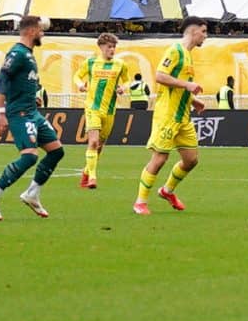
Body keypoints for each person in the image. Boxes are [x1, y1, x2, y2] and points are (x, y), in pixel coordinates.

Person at [0, 15, 63, 220]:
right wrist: (0, 113)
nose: (43, 33)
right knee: (30, 156)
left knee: (56, 151)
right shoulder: (17, 53)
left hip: (32, 112)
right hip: (19, 114)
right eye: (41, 30)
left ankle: (32, 193)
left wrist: (32, 97)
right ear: (32, 31)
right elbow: (2, 80)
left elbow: (22, 82)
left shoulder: (28, 54)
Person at [137, 19, 208, 214]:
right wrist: (187, 85)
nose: (205, 35)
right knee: (160, 158)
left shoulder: (188, 56)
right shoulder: (175, 50)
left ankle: (167, 190)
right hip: (167, 114)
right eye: (203, 31)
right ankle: (140, 202)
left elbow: (178, 85)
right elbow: (160, 75)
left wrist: (193, 100)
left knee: (191, 160)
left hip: (183, 116)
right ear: (193, 32)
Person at [73, 32, 126, 190]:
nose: (112, 50)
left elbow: (128, 80)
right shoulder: (90, 63)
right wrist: (80, 85)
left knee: (100, 145)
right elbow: (77, 76)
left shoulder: (120, 65)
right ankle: (92, 178)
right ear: (101, 47)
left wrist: (123, 87)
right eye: (109, 47)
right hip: (92, 108)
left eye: (114, 47)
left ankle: (85, 173)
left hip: (109, 110)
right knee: (94, 142)